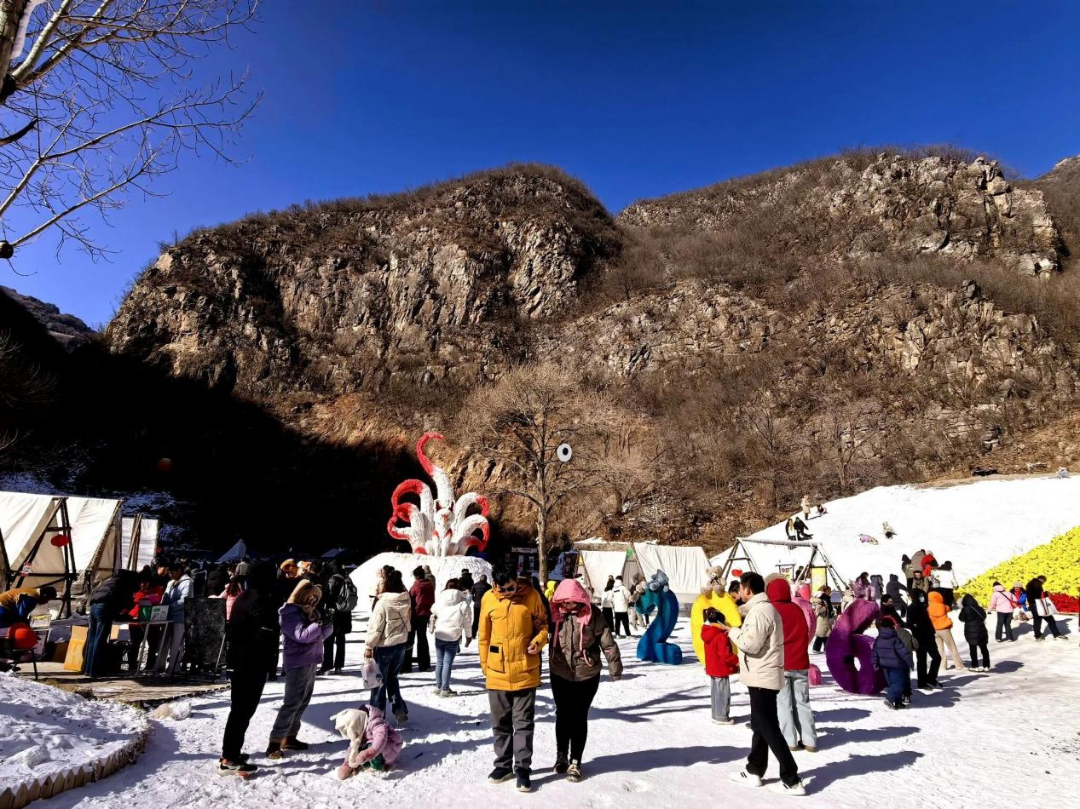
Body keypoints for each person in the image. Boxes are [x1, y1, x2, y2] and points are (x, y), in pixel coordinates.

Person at [724, 572, 805, 796]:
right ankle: (754, 769)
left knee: (768, 726)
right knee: (760, 724)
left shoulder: (760, 611)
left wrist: (732, 631)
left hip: (762, 675)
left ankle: (791, 779)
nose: (739, 592)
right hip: (761, 675)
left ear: (748, 589)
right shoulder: (762, 609)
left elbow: (751, 644)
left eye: (740, 588)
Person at [478, 565, 549, 794]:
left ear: (516, 581)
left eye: (511, 587)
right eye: (503, 589)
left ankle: (523, 769)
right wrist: (485, 666)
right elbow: (484, 636)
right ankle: (502, 766)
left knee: (523, 723)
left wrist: (538, 641)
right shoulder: (488, 599)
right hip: (497, 671)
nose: (508, 592)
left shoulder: (532, 596)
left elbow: (544, 626)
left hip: (525, 671)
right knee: (500, 723)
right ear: (494, 585)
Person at [548, 578, 622, 781]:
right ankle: (561, 756)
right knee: (563, 714)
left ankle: (575, 760)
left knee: (579, 715)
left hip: (586, 674)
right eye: (563, 601)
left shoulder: (593, 614)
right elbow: (537, 631)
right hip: (560, 672)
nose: (567, 604)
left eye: (571, 600)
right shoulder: (555, 614)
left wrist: (615, 668)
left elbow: (607, 642)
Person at [219, 563, 279, 776]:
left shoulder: (244, 596)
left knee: (240, 710)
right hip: (251, 663)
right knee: (242, 711)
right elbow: (265, 634)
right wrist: (270, 662)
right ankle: (229, 757)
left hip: (239, 660)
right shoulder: (260, 600)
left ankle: (231, 752)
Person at [267, 579, 333, 759]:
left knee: (302, 702)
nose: (313, 600)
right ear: (302, 595)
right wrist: (318, 624)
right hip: (297, 662)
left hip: (311, 660)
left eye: (316, 598)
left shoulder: (311, 612)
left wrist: (327, 623)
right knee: (291, 703)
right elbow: (302, 635)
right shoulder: (290, 613)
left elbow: (321, 635)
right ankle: (274, 743)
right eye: (311, 596)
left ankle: (290, 737)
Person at [766, 576, 818, 753]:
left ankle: (789, 740)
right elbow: (805, 632)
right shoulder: (796, 609)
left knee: (783, 703)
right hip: (800, 661)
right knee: (803, 702)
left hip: (780, 663)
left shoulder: (771, 610)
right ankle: (810, 739)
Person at [83, 571, 138, 678]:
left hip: (93, 608)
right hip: (104, 609)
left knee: (93, 639)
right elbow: (128, 602)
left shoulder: (108, 581)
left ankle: (88, 670)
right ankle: (96, 671)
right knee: (100, 639)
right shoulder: (124, 584)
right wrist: (125, 613)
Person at [334, 705, 404, 779]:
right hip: (372, 748)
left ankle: (377, 767)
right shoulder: (360, 727)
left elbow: (381, 738)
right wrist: (347, 763)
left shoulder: (376, 723)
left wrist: (370, 752)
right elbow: (353, 746)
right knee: (359, 746)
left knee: (370, 746)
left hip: (389, 745)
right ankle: (361, 764)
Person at [430, 578, 473, 696]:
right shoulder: (463, 603)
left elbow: (433, 609)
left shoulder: (441, 599)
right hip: (453, 636)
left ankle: (438, 686)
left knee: (440, 662)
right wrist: (469, 636)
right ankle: (445, 689)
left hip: (440, 633)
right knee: (447, 663)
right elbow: (467, 622)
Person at [701, 607, 739, 725]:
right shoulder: (720, 635)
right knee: (723, 693)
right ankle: (722, 717)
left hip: (712, 667)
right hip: (721, 668)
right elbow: (725, 655)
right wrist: (737, 660)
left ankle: (715, 714)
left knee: (715, 692)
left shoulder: (707, 632)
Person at [155, 563, 194, 674]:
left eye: (172, 572)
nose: (170, 574)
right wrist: (162, 605)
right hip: (167, 617)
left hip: (180, 618)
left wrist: (169, 606)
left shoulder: (188, 582)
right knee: (163, 642)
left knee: (176, 644)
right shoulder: (170, 583)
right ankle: (159, 666)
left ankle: (174, 667)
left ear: (179, 571)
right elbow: (165, 596)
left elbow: (185, 600)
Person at [321, 561, 356, 675]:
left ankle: (327, 666)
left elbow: (329, 596)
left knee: (329, 640)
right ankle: (339, 666)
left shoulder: (333, 579)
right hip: (345, 613)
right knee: (341, 641)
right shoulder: (347, 578)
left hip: (333, 613)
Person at [872, 617, 914, 710]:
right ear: (892, 626)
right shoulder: (895, 638)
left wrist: (874, 662)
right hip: (897, 665)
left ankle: (898, 702)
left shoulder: (879, 638)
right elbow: (903, 652)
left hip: (885, 665)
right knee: (899, 684)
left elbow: (875, 651)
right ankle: (889, 699)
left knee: (892, 683)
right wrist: (910, 662)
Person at [126, 574, 164, 672]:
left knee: (152, 644)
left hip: (152, 620)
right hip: (135, 620)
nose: (142, 584)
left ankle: (149, 666)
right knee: (134, 644)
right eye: (140, 582)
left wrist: (145, 597)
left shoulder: (157, 589)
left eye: (145, 582)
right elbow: (134, 599)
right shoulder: (136, 589)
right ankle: (132, 666)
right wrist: (147, 597)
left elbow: (157, 599)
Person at [906, 589, 943, 689]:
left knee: (937, 658)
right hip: (920, 638)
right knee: (922, 661)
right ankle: (921, 682)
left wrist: (931, 630)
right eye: (919, 596)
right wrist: (917, 626)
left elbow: (927, 622)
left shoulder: (923, 606)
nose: (921, 597)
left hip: (929, 637)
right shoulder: (911, 608)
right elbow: (909, 624)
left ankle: (931, 678)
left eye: (922, 595)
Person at [404, 566, 434, 673]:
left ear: (416, 576)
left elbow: (411, 601)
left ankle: (406, 665)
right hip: (425, 615)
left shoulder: (415, 587)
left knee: (410, 640)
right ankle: (424, 664)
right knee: (422, 639)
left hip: (415, 615)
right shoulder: (430, 586)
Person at [927, 591, 967, 672]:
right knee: (952, 647)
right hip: (944, 629)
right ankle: (959, 665)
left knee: (940, 649)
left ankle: (943, 665)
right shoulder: (943, 606)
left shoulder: (928, 608)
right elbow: (948, 609)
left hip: (934, 630)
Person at [958, 593, 991, 671]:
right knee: (984, 648)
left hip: (970, 631)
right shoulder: (980, 608)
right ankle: (986, 665)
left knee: (973, 649)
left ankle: (975, 666)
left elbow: (961, 618)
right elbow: (984, 616)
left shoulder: (965, 609)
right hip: (981, 629)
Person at [1026, 576, 1063, 640]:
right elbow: (1038, 595)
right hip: (1038, 604)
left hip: (1032, 605)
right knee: (1050, 619)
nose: (1043, 583)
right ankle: (1056, 634)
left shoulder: (1029, 584)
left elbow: (1031, 595)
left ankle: (1038, 635)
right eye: (1044, 582)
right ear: (1042, 580)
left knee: (1037, 620)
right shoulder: (1037, 584)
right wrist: (1045, 594)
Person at [811, 586, 834, 653]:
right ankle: (817, 648)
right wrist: (825, 608)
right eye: (829, 591)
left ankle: (824, 649)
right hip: (822, 619)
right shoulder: (821, 599)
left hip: (826, 619)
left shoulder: (826, 599)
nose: (830, 592)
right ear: (825, 591)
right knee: (821, 635)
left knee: (825, 635)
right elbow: (818, 610)